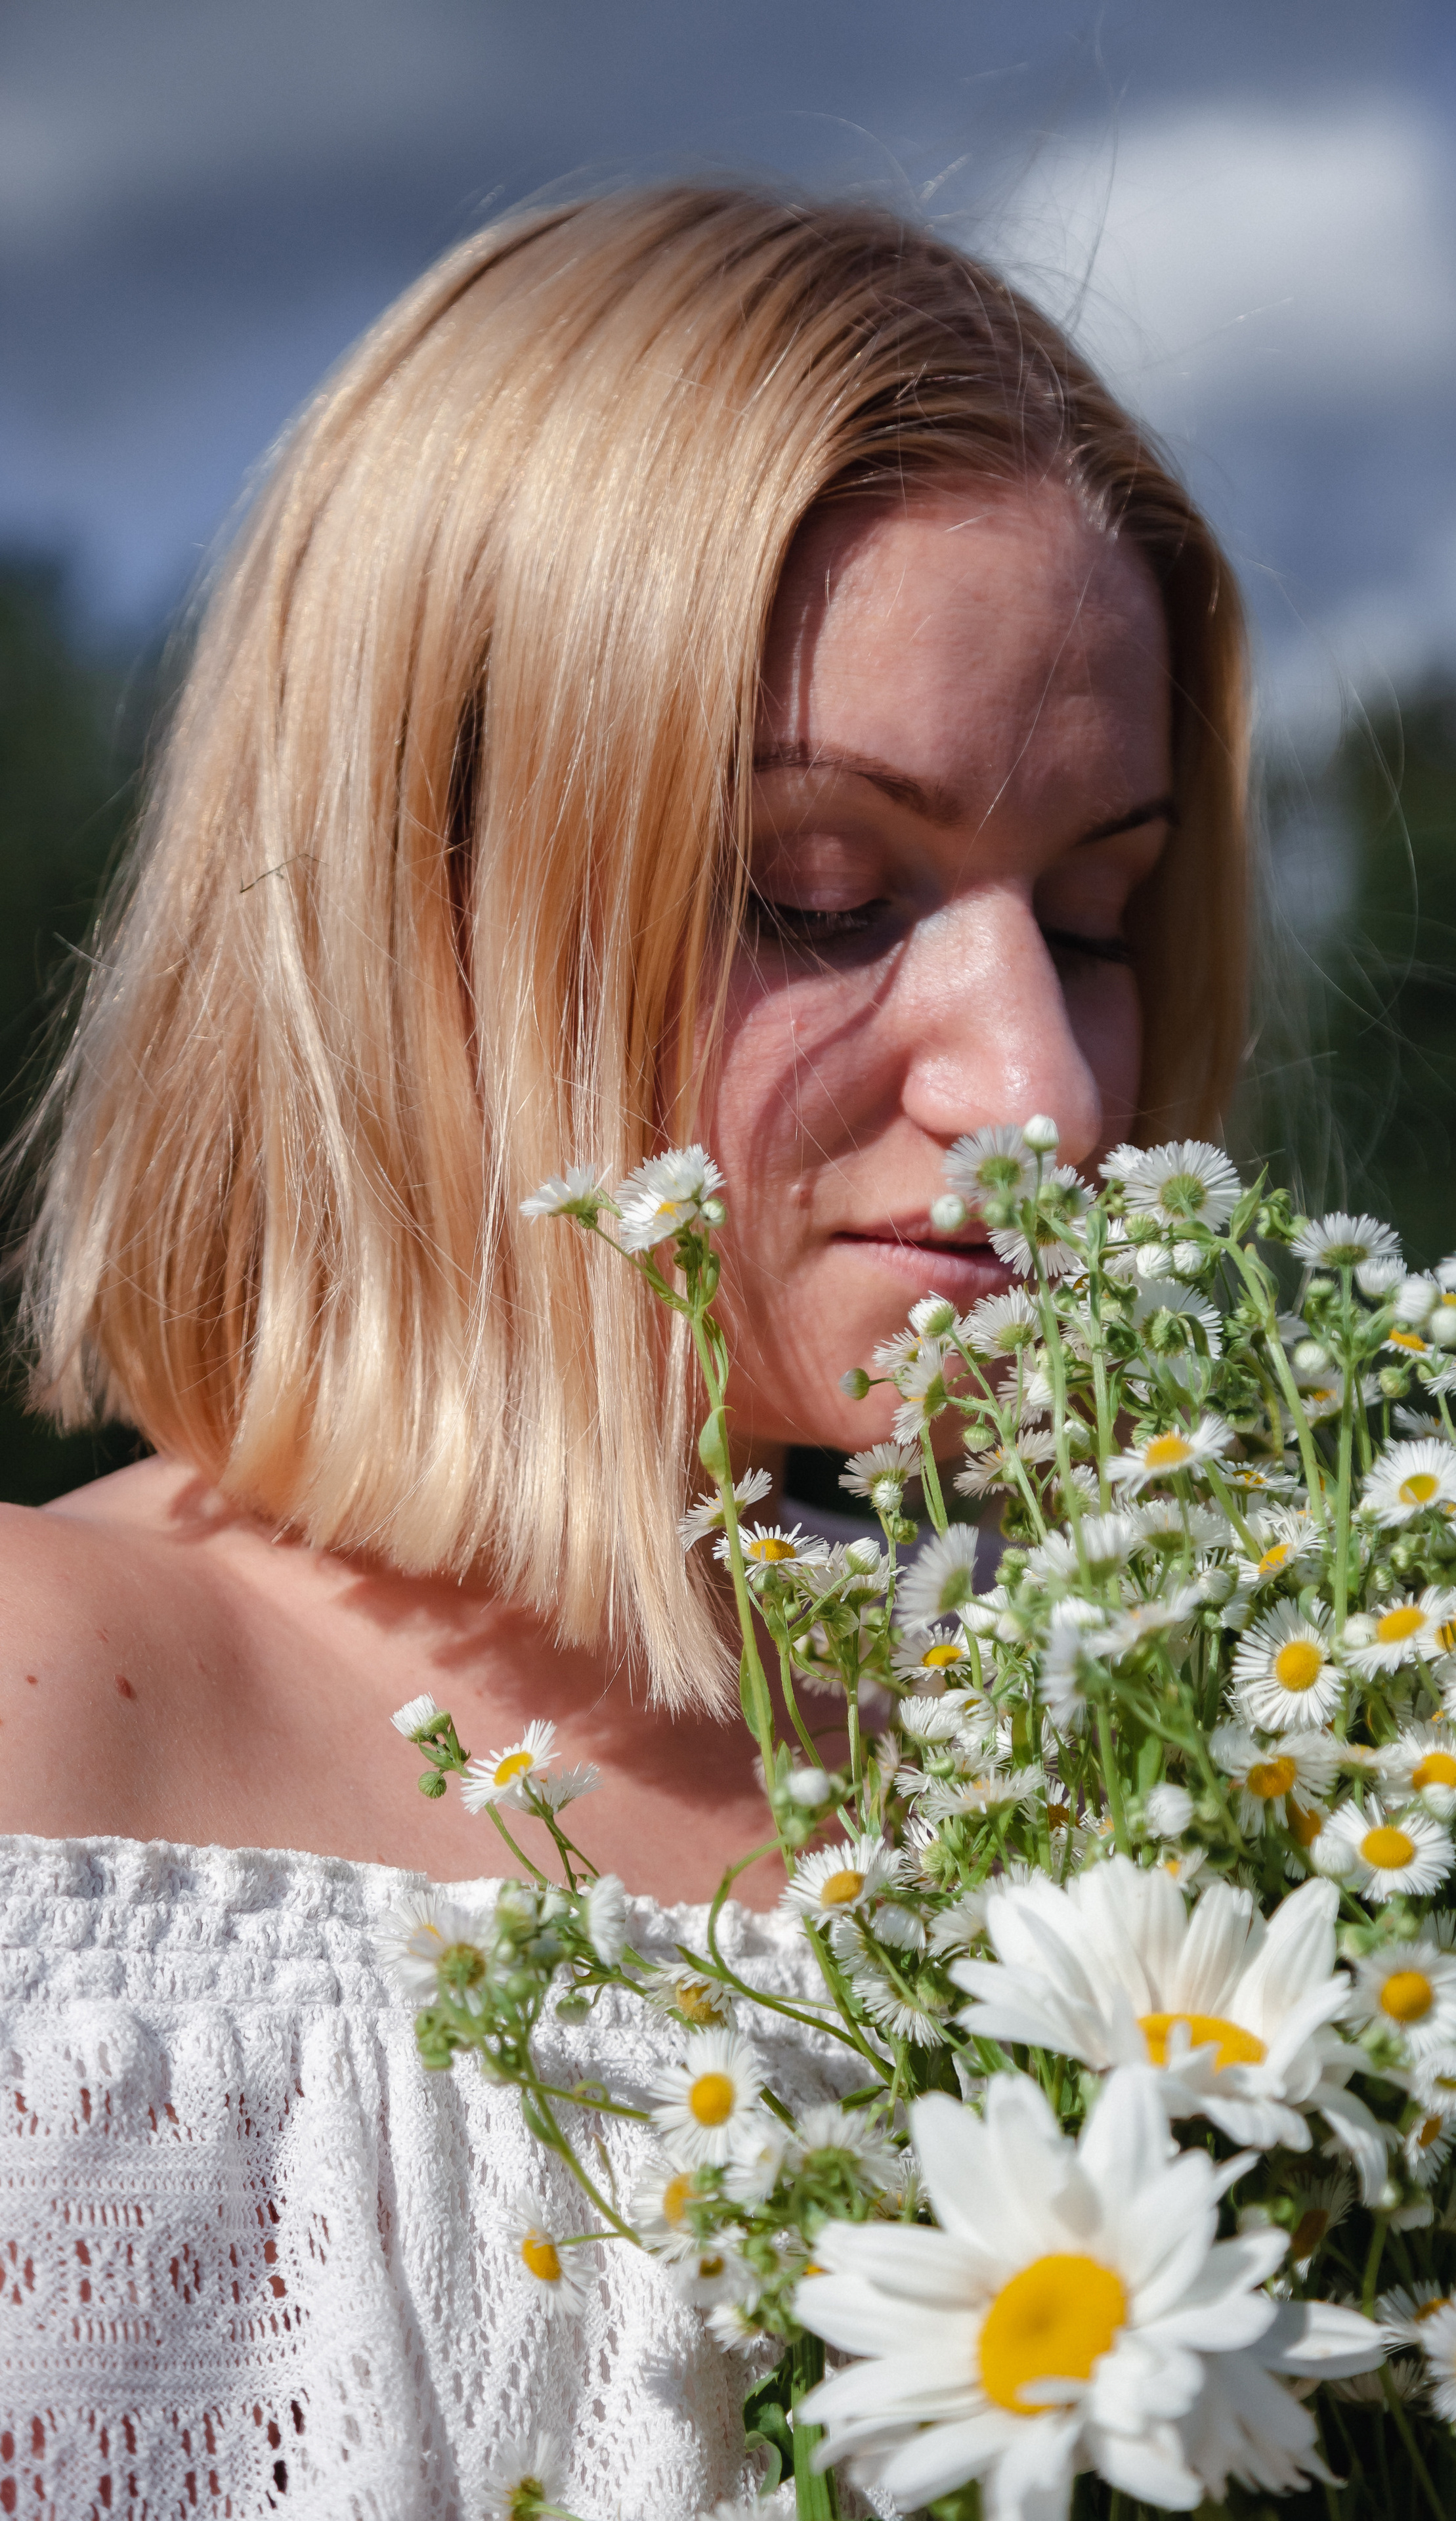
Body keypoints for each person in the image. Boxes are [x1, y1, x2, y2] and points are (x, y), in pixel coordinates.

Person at [0, 187, 1247, 2516]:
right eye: (824, 891)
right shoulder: (58, 1724)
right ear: (415, 892)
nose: (1049, 1095)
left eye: (1097, 916)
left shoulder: (1131, 1828)